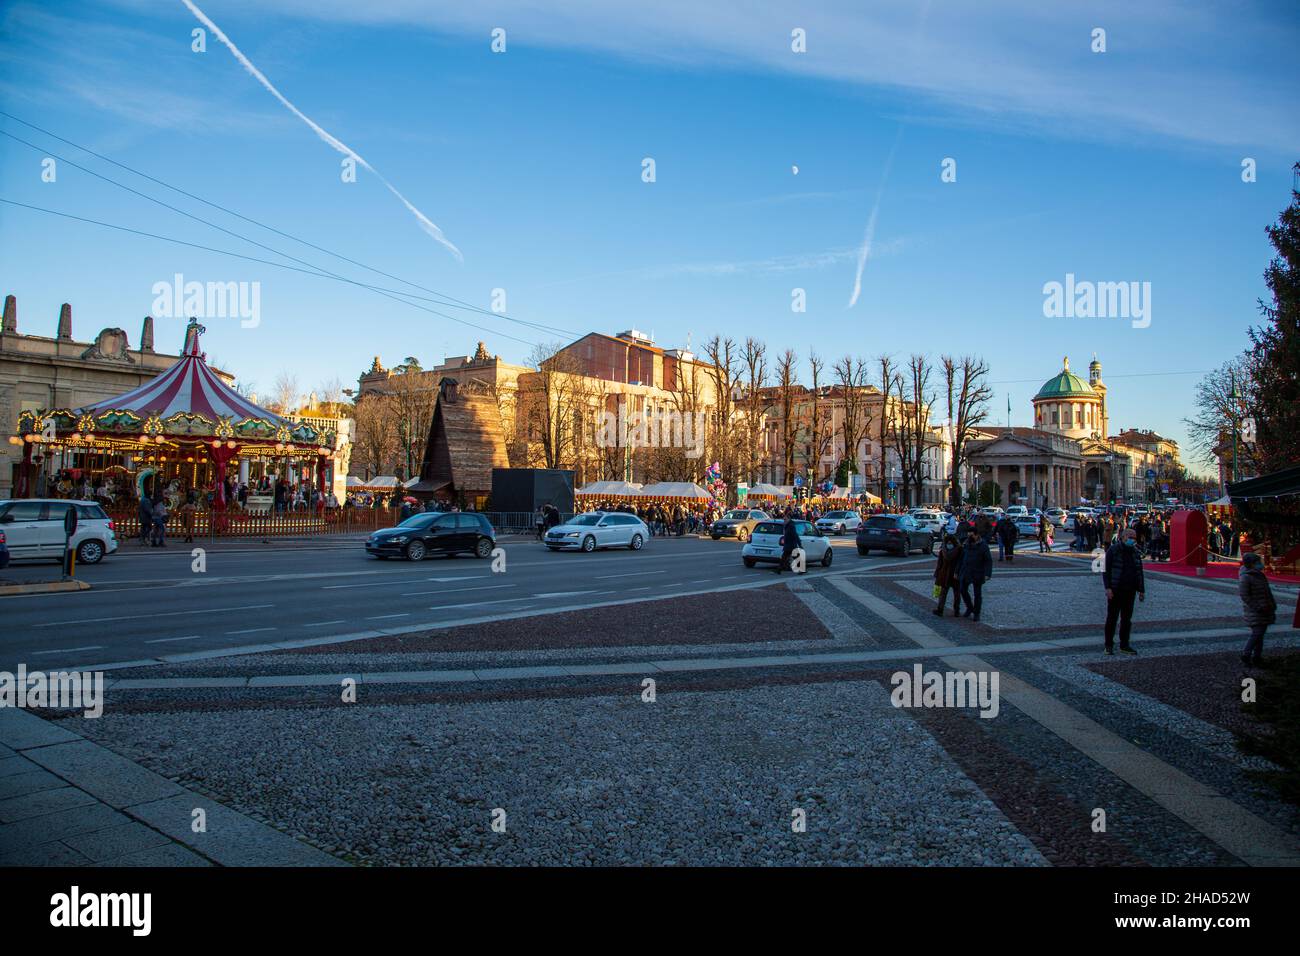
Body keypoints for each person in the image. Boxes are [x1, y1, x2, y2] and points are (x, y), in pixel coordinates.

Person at [1102, 527, 1145, 655]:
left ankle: (1124, 644)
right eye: (1130, 537)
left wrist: (1141, 590)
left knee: (1127, 619)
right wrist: (1108, 588)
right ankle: (1108, 645)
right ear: (1123, 537)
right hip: (1116, 590)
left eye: (1134, 537)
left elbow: (1139, 572)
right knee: (1112, 619)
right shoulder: (1113, 550)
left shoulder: (1135, 552)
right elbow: (1106, 570)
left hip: (1130, 590)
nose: (1133, 540)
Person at [1238, 552, 1277, 667]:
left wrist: (1272, 604)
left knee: (1260, 634)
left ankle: (1257, 656)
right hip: (1255, 610)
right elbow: (1244, 595)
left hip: (1265, 608)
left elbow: (1267, 591)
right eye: (1258, 562)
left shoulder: (1259, 575)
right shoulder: (1246, 577)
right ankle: (1247, 654)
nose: (1261, 564)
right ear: (1252, 564)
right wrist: (1256, 606)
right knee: (1257, 633)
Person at [958, 526, 992, 621]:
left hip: (978, 571)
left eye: (971, 535)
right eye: (968, 534)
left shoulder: (983, 545)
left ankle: (976, 613)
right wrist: (957, 571)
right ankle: (970, 607)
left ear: (977, 535)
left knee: (977, 594)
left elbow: (988, 560)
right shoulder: (966, 544)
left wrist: (987, 574)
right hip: (966, 570)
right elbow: (961, 559)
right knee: (962, 590)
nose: (969, 537)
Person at [932, 533, 963, 617]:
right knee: (950, 593)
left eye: (950, 543)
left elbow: (940, 564)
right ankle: (954, 610)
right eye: (948, 543)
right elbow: (940, 563)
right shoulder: (958, 549)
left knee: (948, 593)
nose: (949, 544)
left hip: (949, 574)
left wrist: (937, 573)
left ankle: (942, 609)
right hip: (950, 574)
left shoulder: (944, 550)